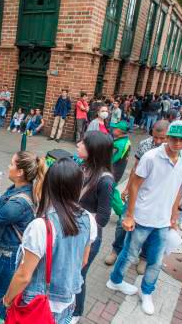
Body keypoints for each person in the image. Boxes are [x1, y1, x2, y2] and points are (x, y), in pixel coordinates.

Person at [107, 120, 182, 315]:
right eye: (174, 138)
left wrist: (174, 217)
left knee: (155, 260)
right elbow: (135, 184)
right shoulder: (151, 157)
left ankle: (147, 292)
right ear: (168, 137)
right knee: (129, 254)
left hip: (163, 222)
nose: (177, 143)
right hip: (143, 218)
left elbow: (179, 189)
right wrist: (129, 215)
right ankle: (115, 281)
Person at [3, 158, 97, 323]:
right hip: (68, 303)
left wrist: (7, 299)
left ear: (49, 185)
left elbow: (24, 276)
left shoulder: (41, 226)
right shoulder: (89, 219)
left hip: (38, 306)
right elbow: (84, 261)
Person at [0, 151, 45, 320]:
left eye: (11, 164)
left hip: (7, 256)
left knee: (3, 297)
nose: (8, 167)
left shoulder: (19, 202)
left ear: (20, 173)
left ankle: (4, 318)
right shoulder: (23, 188)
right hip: (11, 251)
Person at [104, 120, 170, 271]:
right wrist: (127, 188)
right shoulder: (145, 145)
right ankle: (116, 250)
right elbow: (135, 167)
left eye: (162, 138)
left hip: (158, 197)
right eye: (155, 137)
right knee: (122, 224)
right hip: (138, 191)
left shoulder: (175, 151)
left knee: (150, 227)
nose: (158, 141)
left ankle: (144, 257)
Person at [72, 131, 114, 321]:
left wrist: (78, 216)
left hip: (88, 238)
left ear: (94, 150)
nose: (78, 144)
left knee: (78, 276)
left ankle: (76, 312)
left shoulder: (105, 181)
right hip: (72, 232)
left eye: (83, 143)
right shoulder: (83, 167)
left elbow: (103, 218)